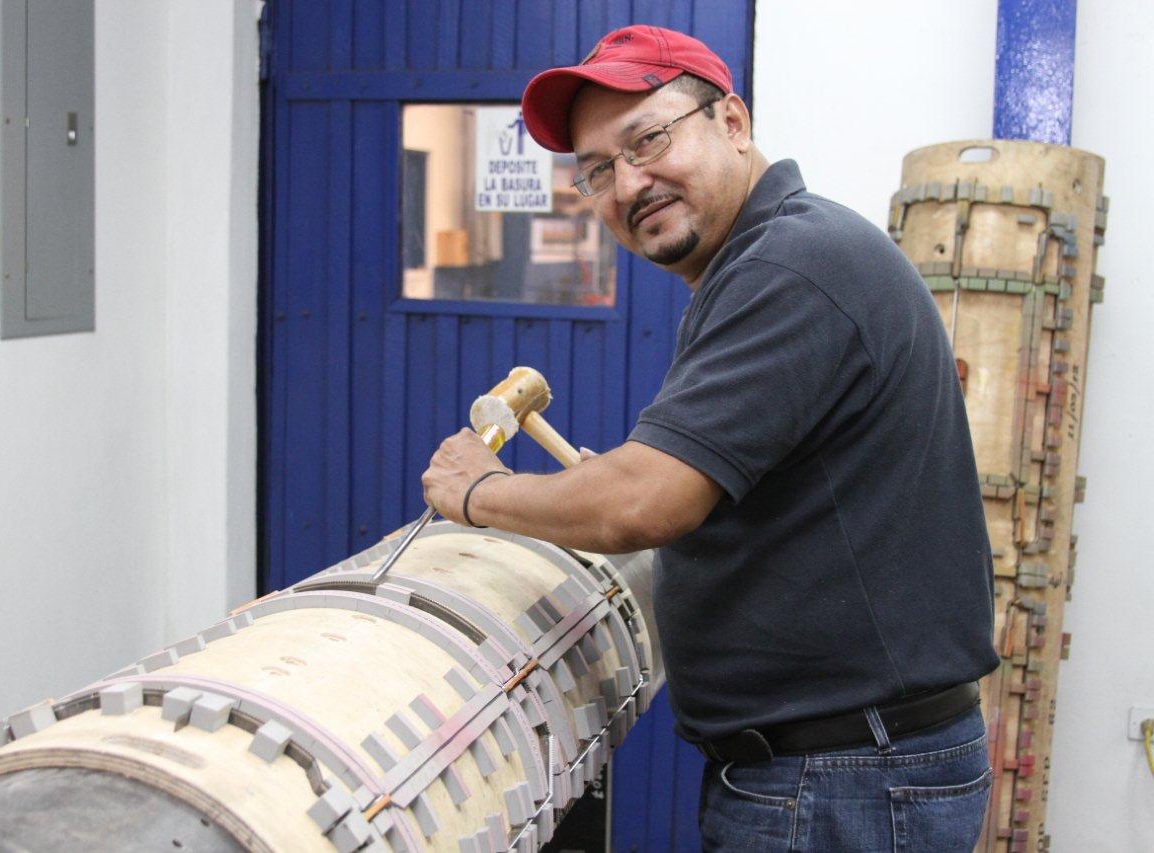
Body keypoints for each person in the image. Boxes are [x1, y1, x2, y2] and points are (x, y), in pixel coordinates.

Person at [422, 25, 999, 852]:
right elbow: (737, 486)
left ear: (732, 121)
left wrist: (474, 491)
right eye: (596, 172)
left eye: (648, 139)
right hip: (845, 769)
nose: (628, 183)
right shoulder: (774, 259)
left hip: (844, 780)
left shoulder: (791, 265)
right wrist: (605, 486)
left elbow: (645, 503)